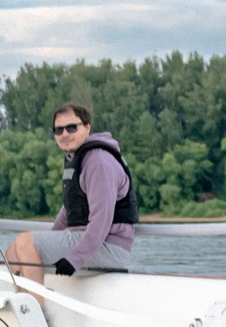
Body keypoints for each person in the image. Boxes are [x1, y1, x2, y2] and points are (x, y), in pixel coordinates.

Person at [8, 102, 137, 282]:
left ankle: (37, 307)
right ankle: (28, 305)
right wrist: (47, 240)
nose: (65, 134)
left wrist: (74, 258)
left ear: (87, 128)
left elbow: (101, 221)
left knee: (25, 242)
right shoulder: (76, 158)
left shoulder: (98, 162)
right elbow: (67, 213)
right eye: (59, 130)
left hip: (109, 246)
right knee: (13, 251)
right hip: (83, 239)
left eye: (71, 128)